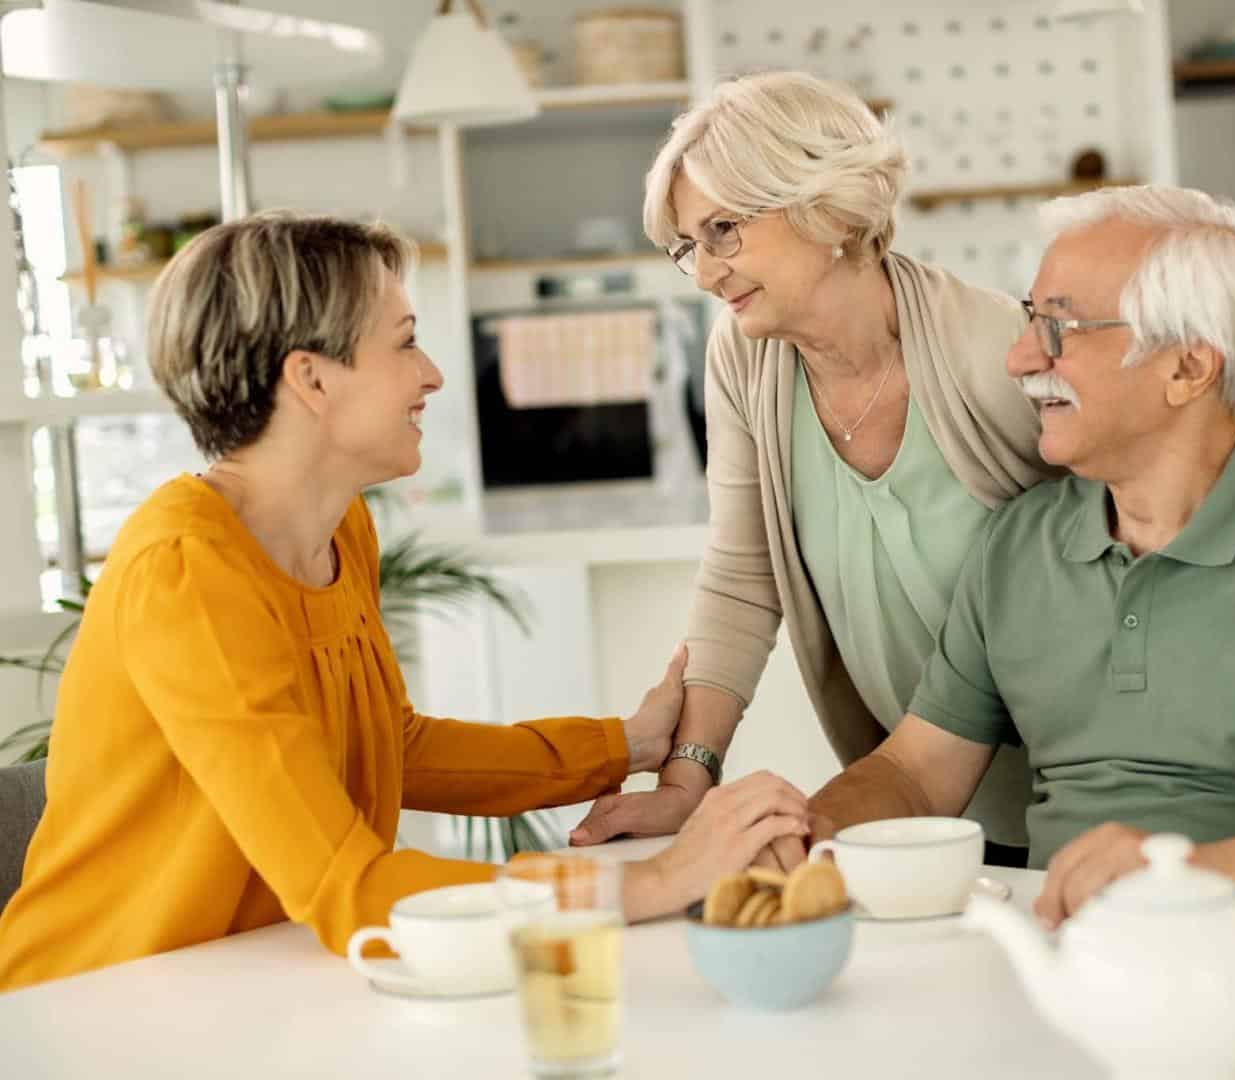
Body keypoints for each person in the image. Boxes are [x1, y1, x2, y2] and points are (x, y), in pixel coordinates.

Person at [570, 71, 1235, 868]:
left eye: (725, 229)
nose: (707, 270)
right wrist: (687, 780)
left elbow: (1225, 390)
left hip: (1067, 799)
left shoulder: (986, 349)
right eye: (688, 245)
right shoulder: (746, 358)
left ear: (824, 207)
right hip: (908, 789)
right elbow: (742, 574)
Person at [0, 213, 809, 991]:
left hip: (244, 982)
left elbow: (395, 746)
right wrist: (657, 881)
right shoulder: (187, 573)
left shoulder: (340, 527)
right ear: (311, 379)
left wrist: (623, 746)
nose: (432, 374)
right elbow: (346, 886)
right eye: (406, 342)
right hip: (97, 1005)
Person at [787, 185, 1235, 923]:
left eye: (1059, 328)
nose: (1020, 359)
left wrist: (1196, 879)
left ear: (1187, 368)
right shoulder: (1019, 542)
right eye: (1028, 320)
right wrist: (801, 834)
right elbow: (916, 775)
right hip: (1061, 962)